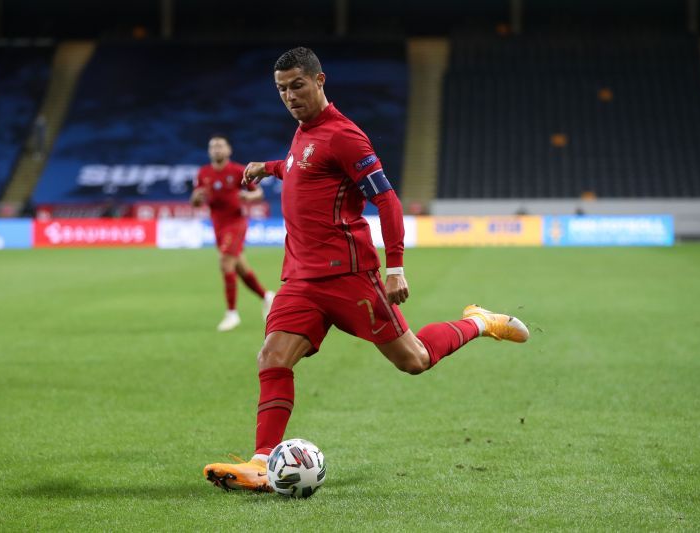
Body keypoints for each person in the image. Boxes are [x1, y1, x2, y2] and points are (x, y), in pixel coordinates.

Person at [203, 48, 529, 491]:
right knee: (272, 358)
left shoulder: (345, 136)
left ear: (320, 81)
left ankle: (479, 321)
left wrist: (395, 267)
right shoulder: (303, 134)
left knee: (413, 360)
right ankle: (262, 461)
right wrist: (270, 168)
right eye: (281, 89)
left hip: (349, 277)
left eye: (298, 85)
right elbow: (303, 168)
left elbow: (386, 199)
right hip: (300, 280)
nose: (290, 96)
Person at [191, 134, 275, 331]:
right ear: (209, 151)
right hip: (217, 225)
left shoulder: (237, 171)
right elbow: (196, 202)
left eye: (221, 146)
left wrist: (248, 195)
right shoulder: (203, 173)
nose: (217, 149)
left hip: (235, 223)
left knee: (225, 262)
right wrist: (195, 197)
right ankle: (266, 297)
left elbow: (259, 193)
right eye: (213, 147)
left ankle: (232, 313)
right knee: (239, 267)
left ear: (229, 150)